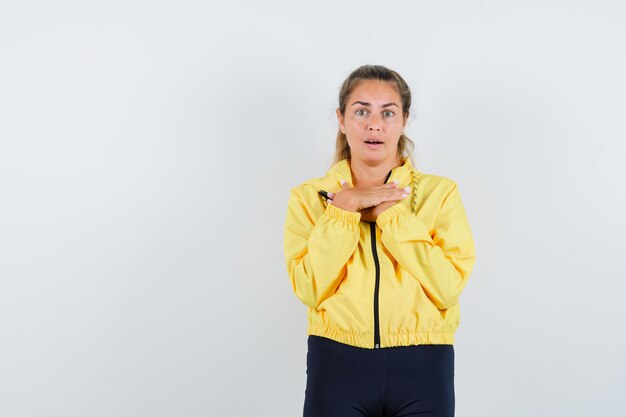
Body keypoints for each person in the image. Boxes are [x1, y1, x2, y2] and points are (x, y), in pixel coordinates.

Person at [283, 64, 476, 417]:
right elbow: (309, 287)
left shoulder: (441, 193)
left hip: (424, 368)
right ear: (341, 120)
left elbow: (447, 287)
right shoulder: (309, 197)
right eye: (361, 111)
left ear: (403, 121)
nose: (374, 124)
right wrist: (343, 212)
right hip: (336, 364)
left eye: (388, 112)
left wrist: (390, 213)